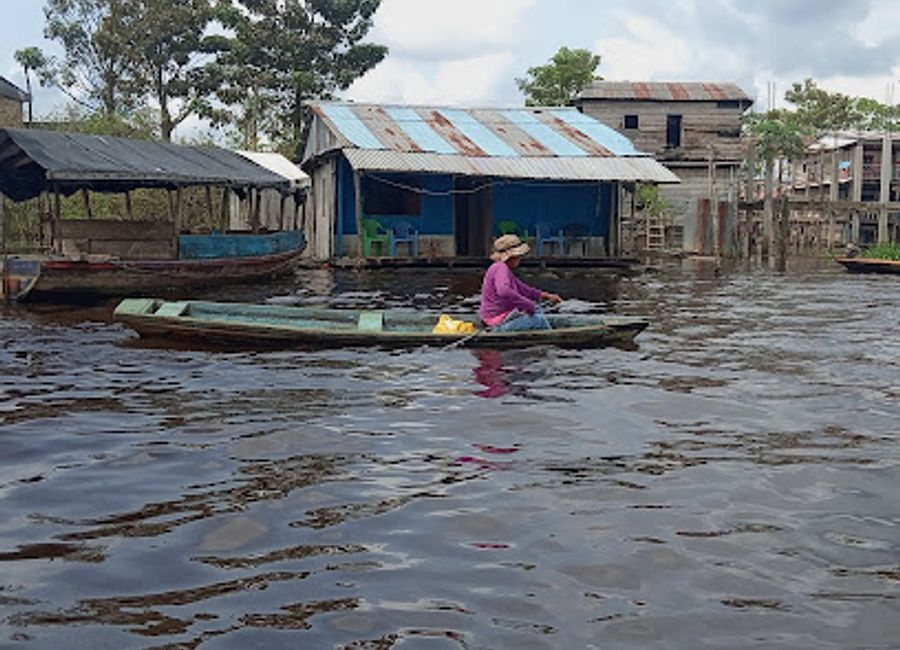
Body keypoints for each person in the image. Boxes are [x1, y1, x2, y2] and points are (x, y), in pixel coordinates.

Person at [479, 234, 562, 331]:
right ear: (512, 256)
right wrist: (527, 304)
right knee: (538, 320)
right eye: (519, 256)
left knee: (538, 310)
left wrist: (546, 296)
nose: (520, 258)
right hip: (497, 322)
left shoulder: (502, 269)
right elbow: (504, 291)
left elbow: (524, 289)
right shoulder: (501, 268)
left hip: (499, 318)